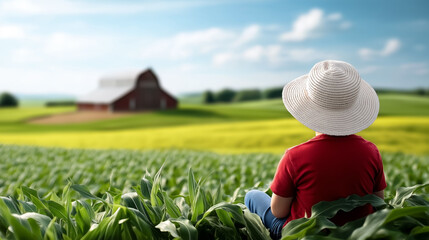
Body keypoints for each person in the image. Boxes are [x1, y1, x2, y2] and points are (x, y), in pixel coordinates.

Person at [245, 60, 387, 239]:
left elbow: (278, 211)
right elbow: (378, 202)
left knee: (252, 196)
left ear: (308, 106)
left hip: (306, 235)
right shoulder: (371, 151)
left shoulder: (294, 156)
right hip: (357, 234)